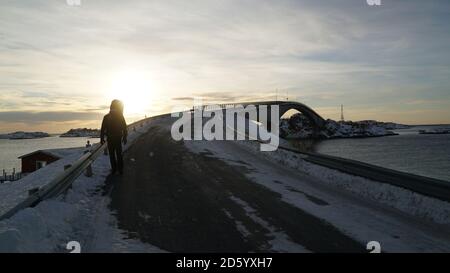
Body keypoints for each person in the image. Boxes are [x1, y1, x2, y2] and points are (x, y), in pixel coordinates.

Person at [100, 99, 128, 175]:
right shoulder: (120, 116)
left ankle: (114, 169)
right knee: (119, 154)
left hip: (110, 138)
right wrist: (125, 137)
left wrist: (102, 139)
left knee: (112, 155)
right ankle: (120, 169)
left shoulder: (106, 117)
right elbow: (124, 127)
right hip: (117, 138)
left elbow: (102, 129)